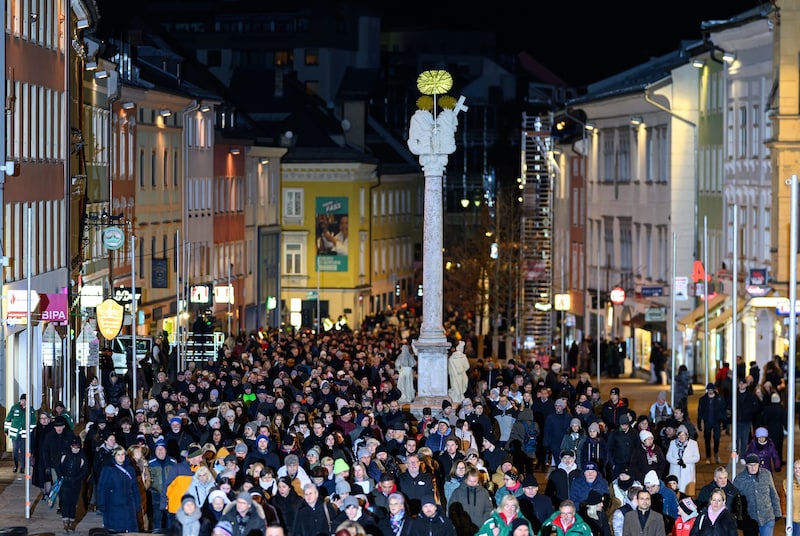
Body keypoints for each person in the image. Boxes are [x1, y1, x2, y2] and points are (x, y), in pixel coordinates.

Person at [733, 453, 782, 536]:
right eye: (750, 465)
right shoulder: (739, 479)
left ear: (759, 465)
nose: (753, 467)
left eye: (755, 465)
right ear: (746, 465)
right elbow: (735, 501)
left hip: (767, 517)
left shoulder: (766, 474)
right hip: (749, 519)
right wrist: (738, 518)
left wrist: (777, 513)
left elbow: (773, 494)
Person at [97, 445, 142, 533]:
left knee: (130, 530)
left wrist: (137, 503)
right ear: (114, 456)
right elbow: (101, 488)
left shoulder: (130, 469)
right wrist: (101, 503)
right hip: (113, 505)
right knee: (115, 530)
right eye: (118, 455)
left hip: (128, 505)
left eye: (123, 454)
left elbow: (135, 487)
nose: (121, 457)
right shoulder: (108, 469)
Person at [58, 436, 89, 532]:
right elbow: (58, 466)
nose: (75, 449)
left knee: (73, 502)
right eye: (74, 446)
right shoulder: (65, 455)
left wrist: (77, 478)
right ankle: (65, 521)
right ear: (71, 446)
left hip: (75, 483)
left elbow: (85, 470)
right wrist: (62, 476)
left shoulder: (82, 457)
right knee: (64, 501)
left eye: (77, 447)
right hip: (65, 482)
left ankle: (71, 521)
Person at [665, 425, 700, 496]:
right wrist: (677, 461)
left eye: (683, 435)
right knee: (675, 492)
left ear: (687, 435)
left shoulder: (693, 444)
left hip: (688, 472)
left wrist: (684, 460)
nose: (681, 437)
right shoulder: (672, 443)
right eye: (679, 435)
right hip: (675, 471)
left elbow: (697, 457)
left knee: (687, 492)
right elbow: (668, 456)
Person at [4, 393, 35, 473]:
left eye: (25, 400)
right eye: (22, 400)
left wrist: (31, 432)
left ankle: (22, 467)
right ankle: (15, 465)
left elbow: (33, 422)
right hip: (15, 434)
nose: (24, 402)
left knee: (23, 450)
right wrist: (6, 430)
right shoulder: (14, 408)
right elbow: (8, 419)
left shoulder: (30, 410)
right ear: (20, 400)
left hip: (25, 435)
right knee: (15, 450)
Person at [696, 383, 726, 464]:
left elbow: (723, 411)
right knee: (707, 440)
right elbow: (700, 411)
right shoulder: (703, 400)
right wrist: (699, 421)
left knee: (717, 439)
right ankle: (708, 456)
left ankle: (716, 453)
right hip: (707, 422)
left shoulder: (720, 399)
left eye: (711, 390)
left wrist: (724, 422)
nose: (710, 391)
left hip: (717, 422)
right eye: (708, 390)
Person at [784, 459, 800, 535]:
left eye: (799, 468)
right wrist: (784, 513)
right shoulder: (786, 482)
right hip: (791, 518)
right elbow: (783, 499)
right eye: (795, 468)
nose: (797, 470)